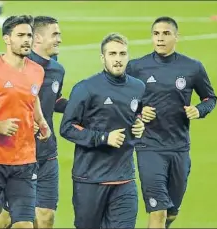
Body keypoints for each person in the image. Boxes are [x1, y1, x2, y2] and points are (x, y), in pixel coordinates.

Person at [126, 16, 217, 229]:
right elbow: (122, 100)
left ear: (176, 37)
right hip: (148, 147)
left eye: (166, 33)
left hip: (179, 147)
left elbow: (210, 98)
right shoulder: (137, 67)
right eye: (156, 33)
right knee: (157, 211)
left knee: (171, 212)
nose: (160, 38)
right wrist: (139, 111)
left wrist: (199, 109)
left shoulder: (193, 67)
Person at [0, 15, 51, 229]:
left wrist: (41, 120)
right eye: (20, 35)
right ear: (7, 39)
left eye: (29, 35)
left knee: (24, 224)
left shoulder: (37, 70)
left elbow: (32, 96)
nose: (26, 40)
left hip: (24, 159)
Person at [60, 33, 146, 229]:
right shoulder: (86, 88)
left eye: (122, 54)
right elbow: (67, 127)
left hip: (124, 178)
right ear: (103, 58)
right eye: (112, 54)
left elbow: (136, 114)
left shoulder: (137, 87)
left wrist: (140, 123)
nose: (118, 59)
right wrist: (103, 138)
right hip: (90, 179)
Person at [0, 16, 67, 229]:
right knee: (8, 218)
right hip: (19, 154)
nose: (59, 39)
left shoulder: (57, 69)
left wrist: (88, 108)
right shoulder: (18, 67)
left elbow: (55, 100)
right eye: (55, 34)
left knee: (46, 216)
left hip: (47, 153)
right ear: (37, 39)